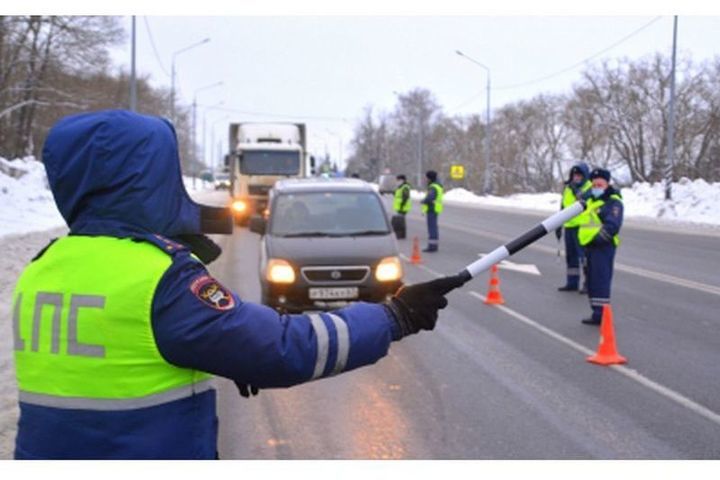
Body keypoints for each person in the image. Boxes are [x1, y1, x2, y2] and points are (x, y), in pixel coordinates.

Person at [10, 110, 466, 459]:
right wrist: (394, 316)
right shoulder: (159, 277)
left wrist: (219, 349)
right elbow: (284, 349)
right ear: (148, 182)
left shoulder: (44, 267)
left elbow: (118, 357)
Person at [576, 167, 624, 325]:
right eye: (594, 185)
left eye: (600, 185)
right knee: (591, 280)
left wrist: (597, 239)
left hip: (603, 246)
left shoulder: (613, 202)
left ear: (607, 184)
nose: (596, 188)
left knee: (600, 280)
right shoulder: (591, 201)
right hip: (589, 246)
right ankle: (596, 312)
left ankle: (601, 314)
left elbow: (612, 225)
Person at [556, 162, 592, 293]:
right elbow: (563, 207)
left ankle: (589, 283)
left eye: (579, 175)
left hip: (583, 227)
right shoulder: (568, 188)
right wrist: (558, 224)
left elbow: (585, 202)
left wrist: (577, 191)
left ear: (585, 176)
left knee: (584, 257)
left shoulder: (589, 188)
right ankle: (572, 282)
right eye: (574, 175)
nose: (576, 177)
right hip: (569, 226)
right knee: (571, 257)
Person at [421, 170, 444, 252]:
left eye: (426, 178)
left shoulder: (433, 187)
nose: (426, 179)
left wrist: (423, 201)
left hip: (432, 208)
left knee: (432, 228)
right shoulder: (438, 186)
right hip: (435, 208)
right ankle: (434, 245)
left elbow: (430, 198)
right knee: (433, 227)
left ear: (430, 178)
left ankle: (432, 246)